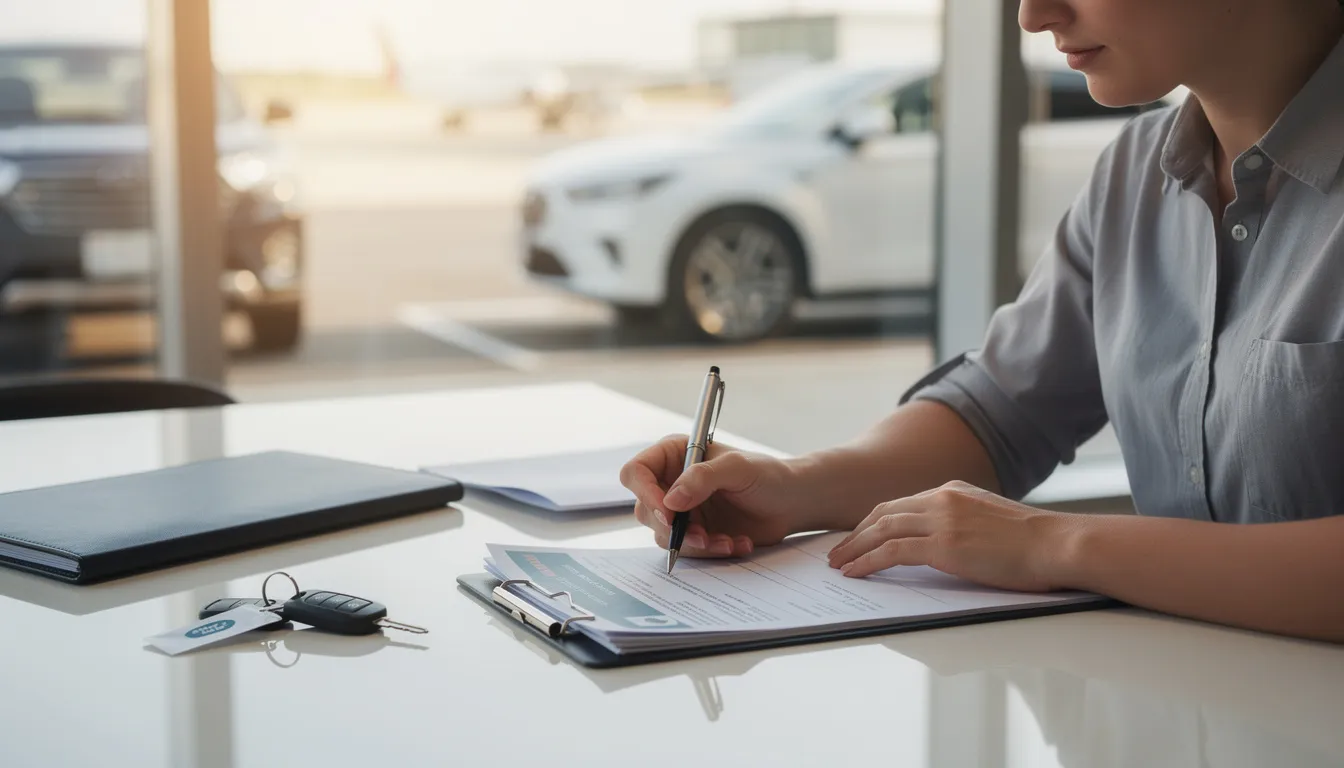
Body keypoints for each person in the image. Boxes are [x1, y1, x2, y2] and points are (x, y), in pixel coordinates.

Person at [620, 0, 1344, 644]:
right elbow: (999, 414)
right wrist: (791, 487)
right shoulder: (1134, 172)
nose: (1032, 15)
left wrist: (1055, 545)